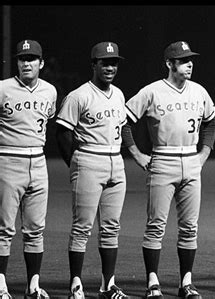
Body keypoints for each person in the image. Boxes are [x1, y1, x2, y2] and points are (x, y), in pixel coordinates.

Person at [121, 40, 215, 299]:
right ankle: (153, 282)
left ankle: (186, 282)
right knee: (156, 226)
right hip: (162, 160)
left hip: (191, 161)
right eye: (183, 60)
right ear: (169, 64)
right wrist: (137, 154)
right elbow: (124, 122)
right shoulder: (152, 91)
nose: (189, 64)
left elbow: (210, 123)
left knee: (189, 228)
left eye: (190, 60)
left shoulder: (199, 91)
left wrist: (204, 153)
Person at [55, 42, 129, 299]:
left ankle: (108, 286)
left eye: (114, 62)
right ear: (94, 65)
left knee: (111, 227)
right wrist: (75, 163)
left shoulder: (118, 94)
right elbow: (63, 132)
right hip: (88, 159)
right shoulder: (79, 95)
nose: (110, 67)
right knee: (82, 227)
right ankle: (75, 284)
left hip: (116, 163)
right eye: (104, 62)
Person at [0, 39, 57, 299]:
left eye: (32, 59)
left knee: (35, 229)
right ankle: (0, 285)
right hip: (8, 161)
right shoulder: (3, 89)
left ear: (41, 63)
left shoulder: (50, 91)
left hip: (39, 162)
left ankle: (33, 286)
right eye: (22, 59)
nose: (26, 63)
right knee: (4, 229)